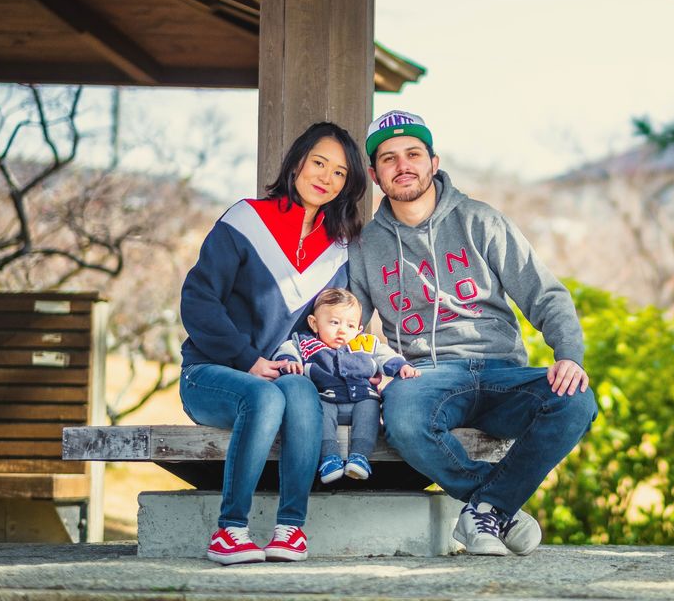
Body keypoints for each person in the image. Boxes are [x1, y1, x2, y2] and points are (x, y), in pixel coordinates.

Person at [348, 110, 597, 557]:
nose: (403, 165)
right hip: (425, 376)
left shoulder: (481, 220)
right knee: (403, 417)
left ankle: (486, 507)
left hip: (501, 371)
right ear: (375, 174)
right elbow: (346, 321)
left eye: (413, 154)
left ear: (433, 161)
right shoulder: (366, 245)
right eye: (389, 158)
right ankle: (497, 508)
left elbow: (545, 294)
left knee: (575, 400)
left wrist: (569, 355)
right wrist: (354, 363)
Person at [179, 121, 367, 565]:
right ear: (297, 161)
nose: (326, 177)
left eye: (340, 172)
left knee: (302, 393)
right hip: (212, 373)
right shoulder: (246, 220)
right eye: (319, 163)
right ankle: (231, 531)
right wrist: (247, 359)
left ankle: (290, 529)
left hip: (280, 374)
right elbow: (199, 300)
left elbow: (320, 327)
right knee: (263, 396)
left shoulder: (335, 251)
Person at [273, 287, 421, 485]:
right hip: (326, 398)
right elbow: (286, 349)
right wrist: (288, 361)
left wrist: (401, 366)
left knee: (370, 408)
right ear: (314, 323)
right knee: (320, 414)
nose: (342, 330)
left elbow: (385, 355)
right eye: (334, 323)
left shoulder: (366, 343)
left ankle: (360, 457)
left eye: (350, 325)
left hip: (361, 398)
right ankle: (329, 458)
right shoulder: (306, 344)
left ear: (359, 329)